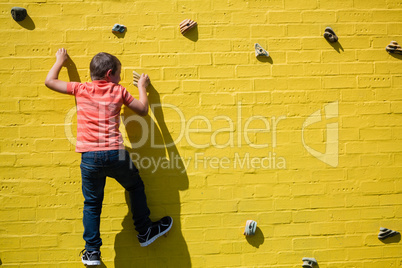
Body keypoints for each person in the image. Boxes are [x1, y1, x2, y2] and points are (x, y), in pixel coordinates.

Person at [45, 48, 172, 266]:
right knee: (135, 187)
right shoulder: (118, 91)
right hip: (115, 154)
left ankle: (92, 252)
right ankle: (144, 230)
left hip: (90, 158)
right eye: (118, 74)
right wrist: (142, 88)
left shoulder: (81, 88)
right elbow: (142, 110)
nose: (120, 78)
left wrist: (60, 61)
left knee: (92, 204)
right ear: (109, 74)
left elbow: (50, 81)